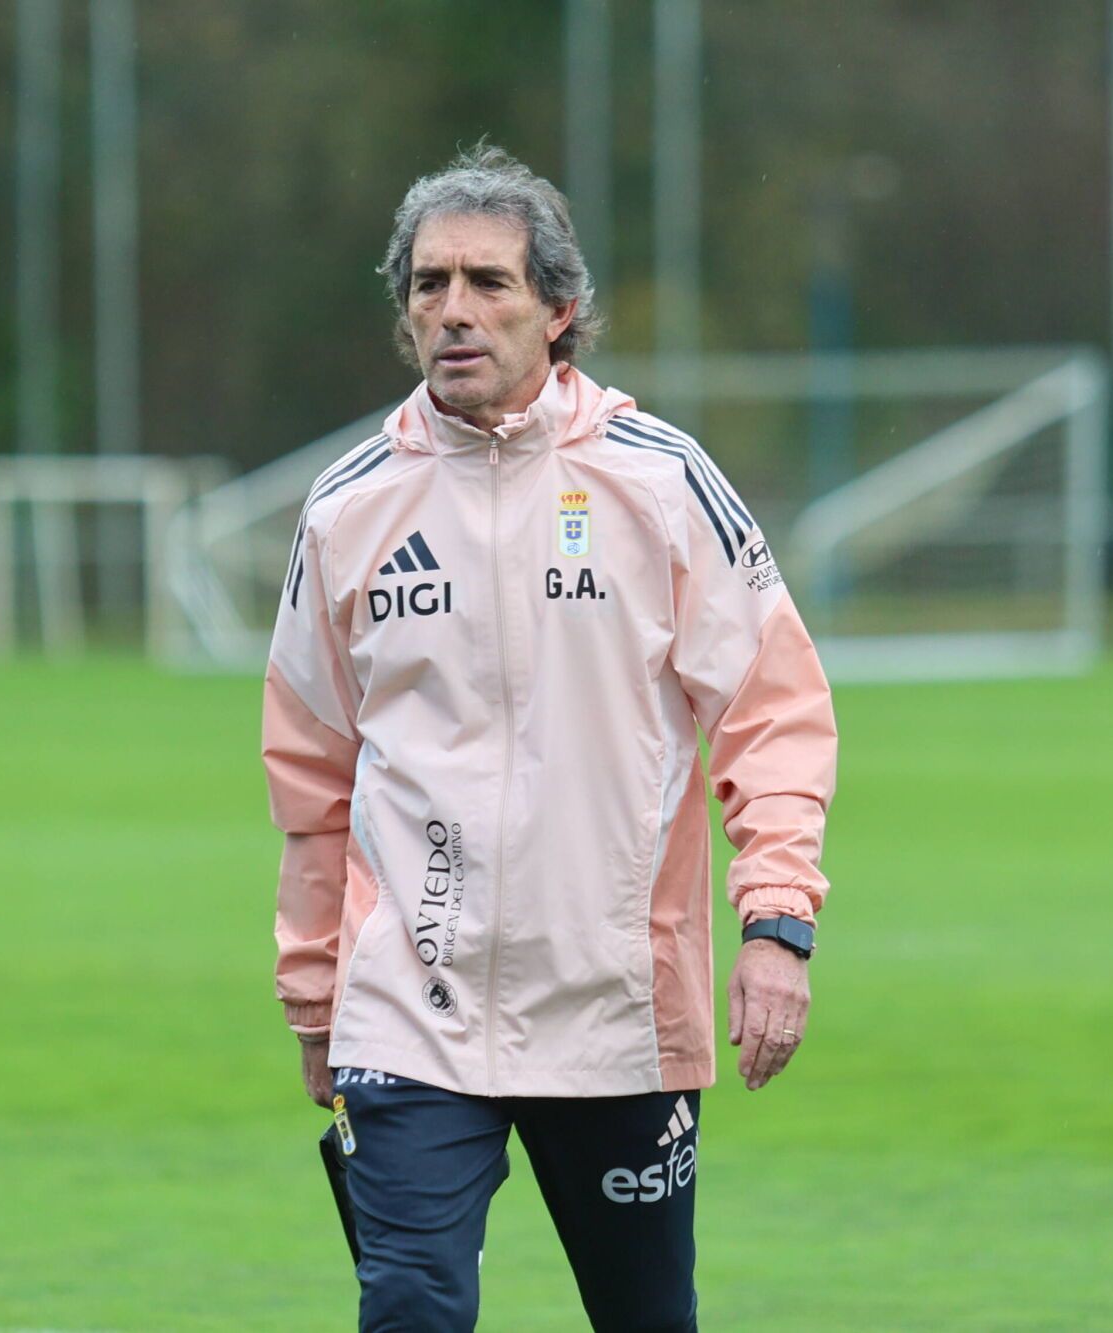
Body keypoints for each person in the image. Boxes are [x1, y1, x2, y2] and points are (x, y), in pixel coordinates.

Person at [262, 142, 838, 1332]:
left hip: (613, 1007)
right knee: (409, 1305)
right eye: (428, 285)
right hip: (406, 1010)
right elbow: (312, 775)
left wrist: (776, 925)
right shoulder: (347, 507)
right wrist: (317, 993)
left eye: (487, 283)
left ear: (558, 309)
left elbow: (771, 716)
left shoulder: (661, 484)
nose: (453, 312)